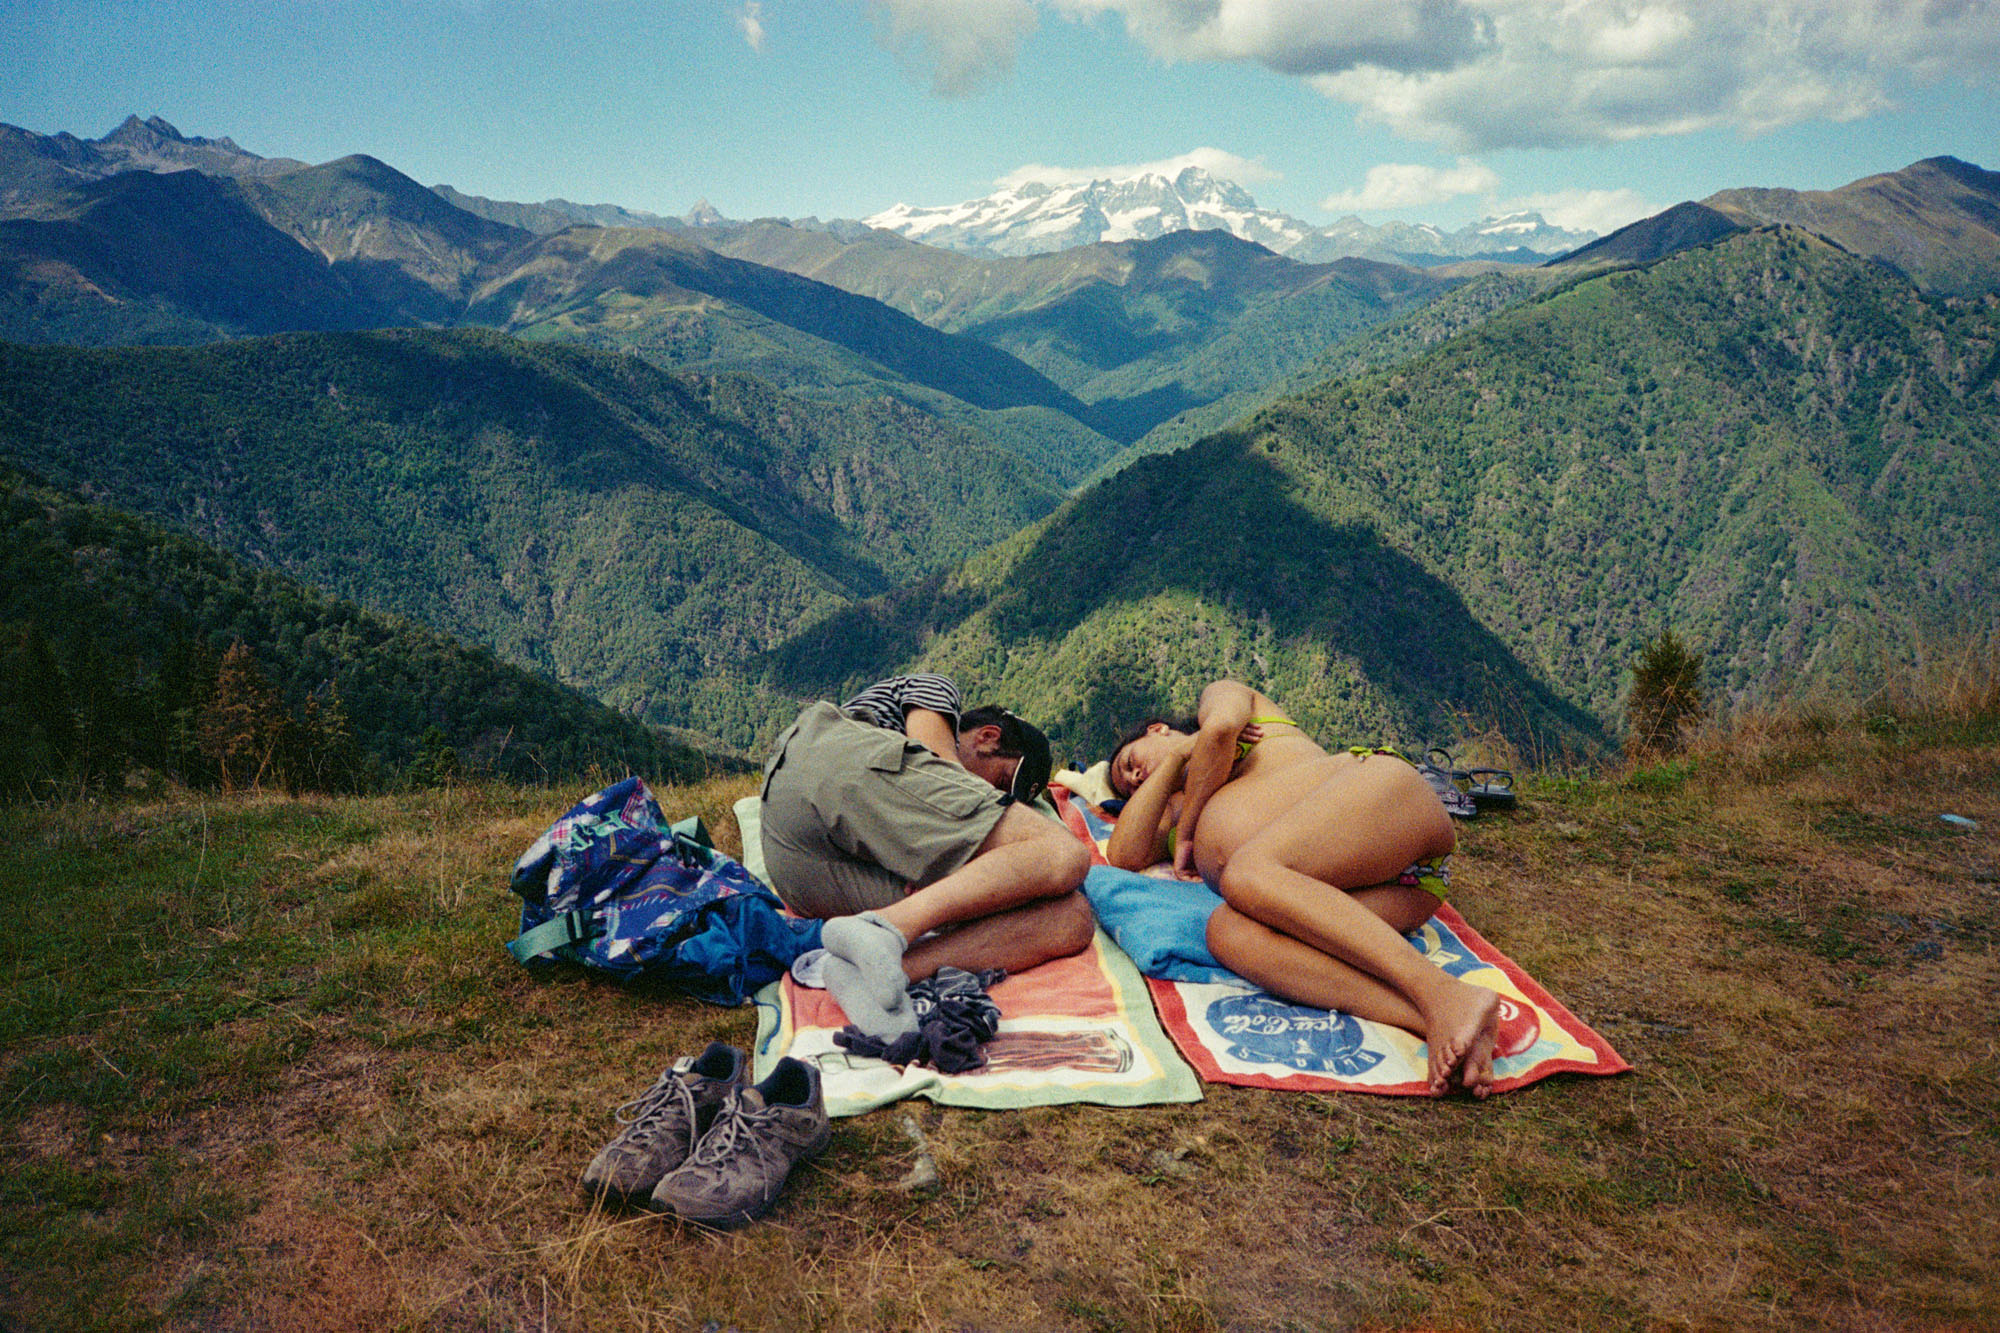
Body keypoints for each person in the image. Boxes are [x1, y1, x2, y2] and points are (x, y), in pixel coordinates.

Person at [1104, 679, 1501, 1096]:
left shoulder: (1231, 698)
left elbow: (1221, 729)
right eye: (1129, 786)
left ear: (1158, 729)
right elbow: (1124, 854)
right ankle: (1436, 1018)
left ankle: (1442, 991)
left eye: (1131, 761)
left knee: (1246, 872)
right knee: (1228, 931)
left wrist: (1188, 827)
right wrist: (1173, 762)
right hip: (1401, 889)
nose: (1134, 777)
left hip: (1387, 798)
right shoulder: (1174, 803)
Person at [759, 673, 1094, 1041]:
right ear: (987, 736)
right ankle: (885, 929)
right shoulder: (935, 690)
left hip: (801, 872)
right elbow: (935, 755)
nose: (993, 797)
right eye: (1001, 784)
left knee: (1071, 919)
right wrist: (976, 833)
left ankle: (881, 971)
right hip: (822, 764)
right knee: (1065, 853)